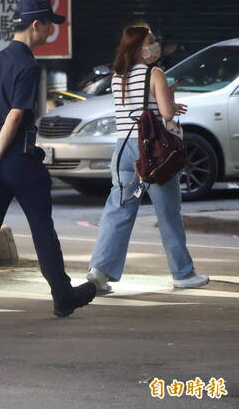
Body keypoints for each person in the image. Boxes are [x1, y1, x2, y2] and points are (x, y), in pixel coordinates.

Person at [0, 0, 96, 321]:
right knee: (41, 227)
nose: (51, 30)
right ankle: (62, 295)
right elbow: (14, 117)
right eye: (49, 24)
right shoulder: (27, 66)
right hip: (17, 158)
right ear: (36, 25)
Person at [87, 25, 209, 293]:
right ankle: (183, 274)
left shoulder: (118, 75)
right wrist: (172, 101)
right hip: (152, 153)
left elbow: (134, 109)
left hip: (123, 151)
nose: (155, 46)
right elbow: (165, 113)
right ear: (139, 47)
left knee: (119, 208)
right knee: (168, 213)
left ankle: (100, 270)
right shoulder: (155, 73)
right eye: (151, 41)